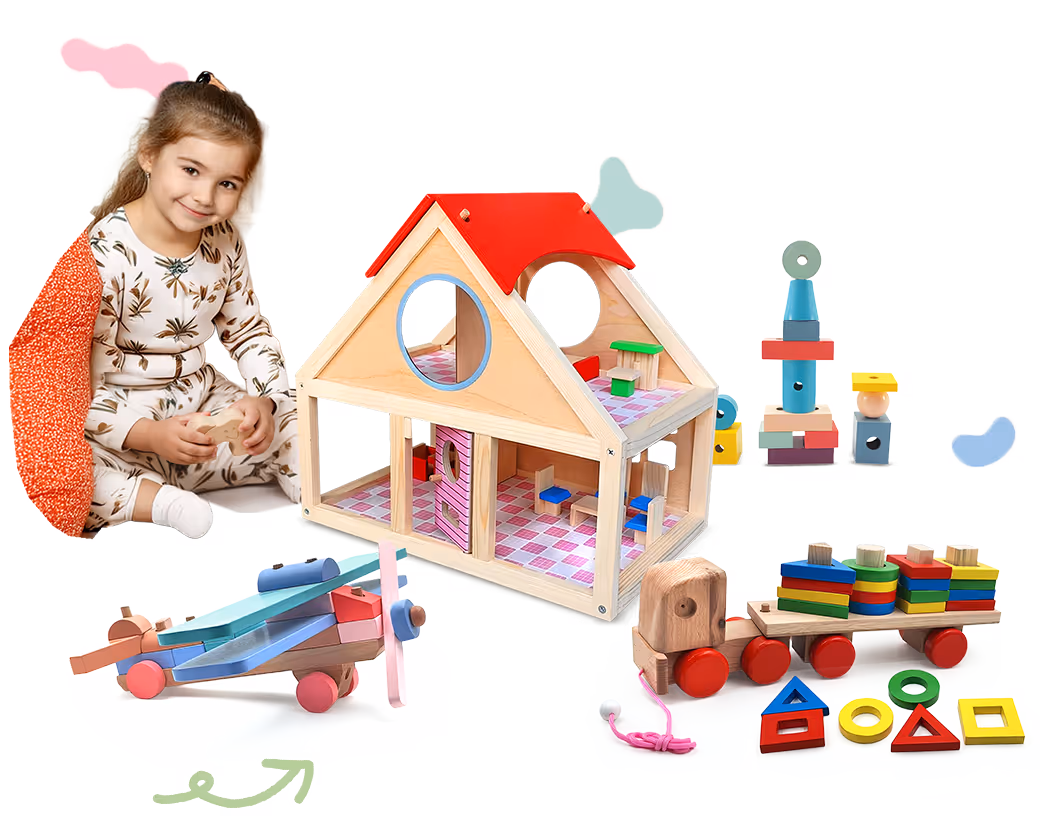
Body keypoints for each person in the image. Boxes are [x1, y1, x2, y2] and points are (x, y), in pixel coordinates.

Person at [83, 71, 298, 538]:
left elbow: (248, 332)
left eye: (227, 183)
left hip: (202, 412)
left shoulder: (225, 241)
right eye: (191, 170)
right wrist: (149, 434)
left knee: (295, 417)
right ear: (149, 154)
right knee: (73, 476)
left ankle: (309, 484)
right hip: (124, 428)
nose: (204, 197)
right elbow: (79, 379)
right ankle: (155, 501)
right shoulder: (104, 253)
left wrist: (264, 402)